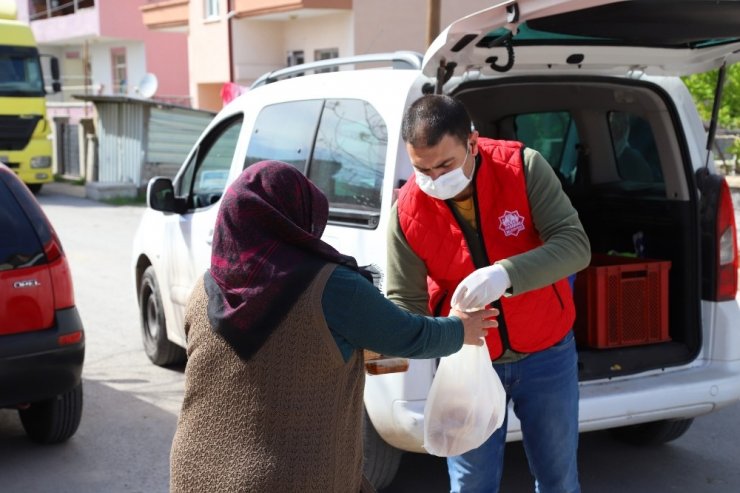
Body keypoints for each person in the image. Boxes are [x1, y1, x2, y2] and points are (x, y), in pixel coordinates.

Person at [169, 160, 498, 493]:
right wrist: (460, 329)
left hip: (194, 472)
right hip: (286, 481)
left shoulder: (205, 288)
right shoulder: (331, 287)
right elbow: (407, 335)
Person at [386, 95, 591, 493]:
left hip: (546, 354)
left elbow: (574, 245)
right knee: (471, 485)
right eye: (420, 169)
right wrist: (448, 329)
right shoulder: (407, 211)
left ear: (473, 143)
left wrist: (505, 275)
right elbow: (404, 305)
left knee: (559, 480)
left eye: (445, 165)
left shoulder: (523, 169)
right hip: (468, 365)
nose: (434, 179)